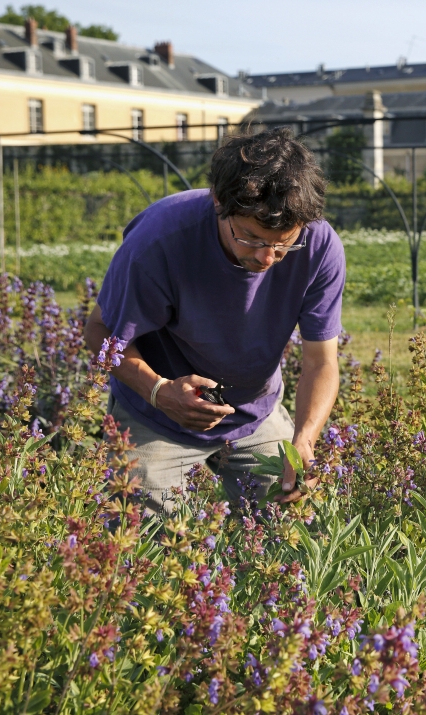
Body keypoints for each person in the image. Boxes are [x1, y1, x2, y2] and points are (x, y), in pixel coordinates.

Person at [84, 127, 345, 513]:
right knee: (145, 537)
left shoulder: (319, 246)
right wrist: (160, 392)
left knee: (287, 521)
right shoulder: (159, 241)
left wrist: (304, 440)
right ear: (219, 203)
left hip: (254, 413)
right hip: (156, 417)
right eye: (252, 238)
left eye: (283, 244)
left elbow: (321, 362)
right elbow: (100, 332)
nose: (267, 258)